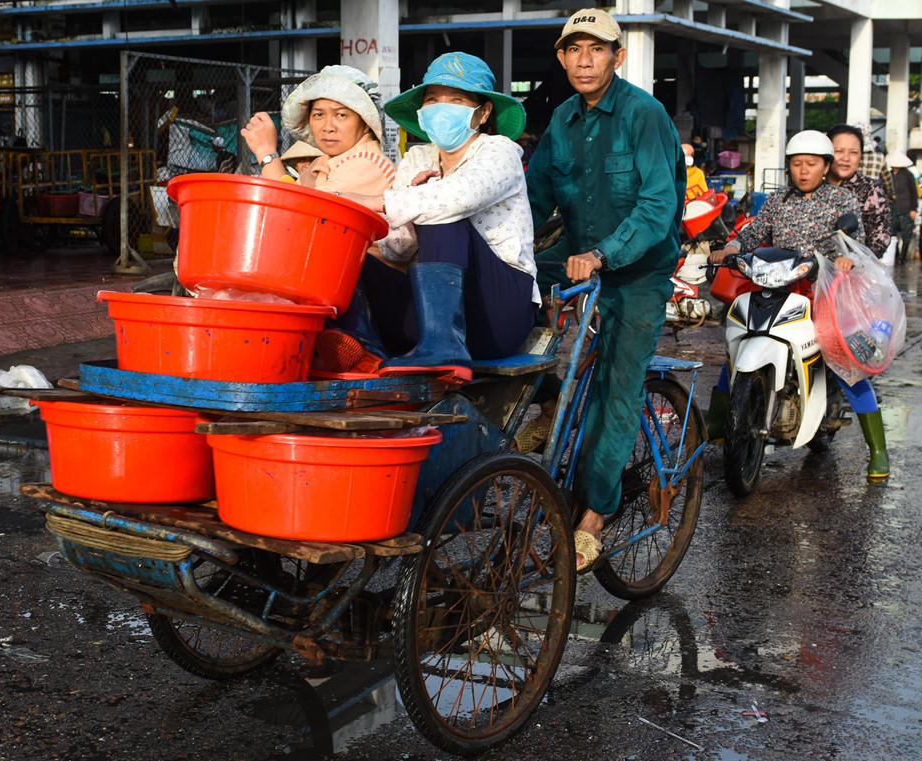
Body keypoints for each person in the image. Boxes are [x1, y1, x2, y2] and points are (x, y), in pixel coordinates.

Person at [526, 9, 686, 571]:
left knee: (618, 384)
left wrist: (602, 255)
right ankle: (546, 400)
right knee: (506, 279)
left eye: (597, 50)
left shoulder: (645, 114)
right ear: (563, 58)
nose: (584, 60)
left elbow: (658, 206)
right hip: (574, 259)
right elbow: (532, 196)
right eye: (574, 50)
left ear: (617, 57)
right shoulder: (563, 119)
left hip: (636, 268)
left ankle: (595, 514)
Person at [318, 51, 539, 386]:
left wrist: (382, 200)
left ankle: (444, 348)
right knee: (355, 253)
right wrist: (407, 219)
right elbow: (396, 250)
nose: (441, 106)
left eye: (456, 99)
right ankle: (363, 346)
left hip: (499, 313)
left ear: (483, 111)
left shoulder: (500, 151)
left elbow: (459, 196)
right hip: (436, 311)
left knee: (442, 207)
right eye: (433, 99)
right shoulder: (418, 157)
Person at [708, 130, 889, 481]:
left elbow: (853, 241)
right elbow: (754, 232)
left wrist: (846, 259)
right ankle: (718, 426)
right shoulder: (777, 201)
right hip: (778, 287)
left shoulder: (841, 201)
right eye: (796, 164)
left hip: (823, 292)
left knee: (845, 365)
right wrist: (732, 247)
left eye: (811, 164)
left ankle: (878, 452)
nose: (803, 171)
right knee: (741, 343)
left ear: (826, 167)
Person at [241, 65, 395, 195]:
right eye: (318, 115)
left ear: (365, 123)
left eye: (341, 115)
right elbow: (290, 194)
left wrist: (267, 152)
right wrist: (265, 151)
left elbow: (301, 211)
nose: (328, 127)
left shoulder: (366, 163)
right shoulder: (321, 163)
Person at [825, 124, 892, 258]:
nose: (846, 158)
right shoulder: (814, 186)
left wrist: (857, 262)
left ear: (861, 156)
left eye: (853, 152)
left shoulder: (870, 190)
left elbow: (881, 236)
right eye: (839, 151)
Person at [886, 150, 918, 264]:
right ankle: (896, 256)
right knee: (892, 235)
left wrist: (914, 209)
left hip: (906, 208)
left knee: (906, 235)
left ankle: (902, 258)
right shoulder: (888, 174)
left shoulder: (908, 175)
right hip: (893, 209)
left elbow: (914, 193)